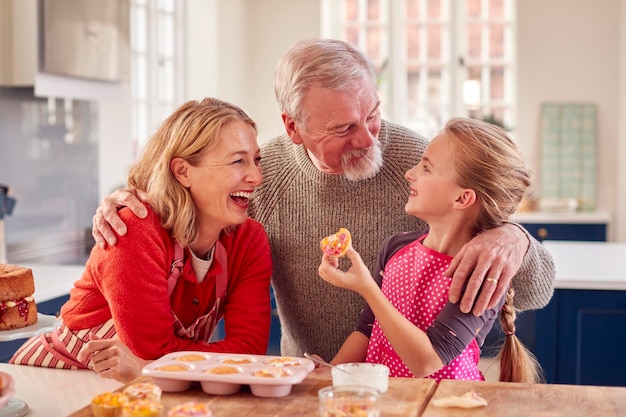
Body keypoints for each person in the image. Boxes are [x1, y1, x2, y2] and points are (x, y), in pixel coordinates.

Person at [90, 39, 555, 362]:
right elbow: (179, 206)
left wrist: (513, 237)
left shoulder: (425, 169)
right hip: (313, 386)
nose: (366, 138)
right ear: (293, 128)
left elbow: (537, 293)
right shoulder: (258, 177)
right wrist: (131, 200)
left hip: (417, 387)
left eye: (371, 114)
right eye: (342, 129)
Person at [10, 98, 272, 383]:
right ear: (183, 171)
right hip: (57, 382)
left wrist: (157, 363)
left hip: (150, 386)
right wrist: (213, 359)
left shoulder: (249, 240)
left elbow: (250, 351)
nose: (256, 177)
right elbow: (152, 351)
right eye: (238, 161)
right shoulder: (132, 231)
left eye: (256, 160)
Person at [319, 118, 542, 383]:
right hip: (384, 400)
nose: (409, 173)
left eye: (426, 168)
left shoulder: (479, 271)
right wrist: (326, 373)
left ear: (462, 198)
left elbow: (427, 361)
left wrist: (367, 287)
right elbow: (367, 330)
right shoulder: (395, 247)